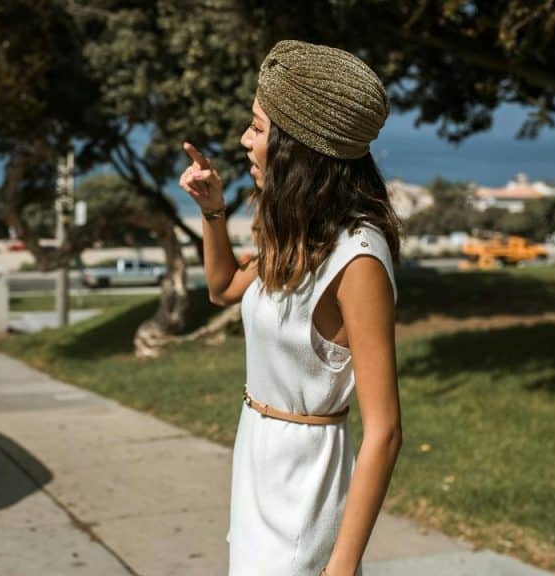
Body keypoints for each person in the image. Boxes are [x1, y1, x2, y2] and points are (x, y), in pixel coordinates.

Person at [179, 41, 403, 576]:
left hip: (305, 488)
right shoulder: (299, 231)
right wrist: (214, 213)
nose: (244, 141)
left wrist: (342, 567)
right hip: (258, 463)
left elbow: (385, 431)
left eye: (257, 129)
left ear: (297, 145)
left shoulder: (358, 259)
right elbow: (224, 288)